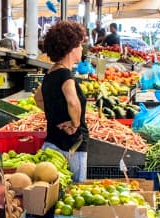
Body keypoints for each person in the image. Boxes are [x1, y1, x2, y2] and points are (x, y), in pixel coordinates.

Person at [34, 20, 89, 182]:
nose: (81, 49)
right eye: (80, 45)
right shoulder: (66, 75)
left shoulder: (51, 72)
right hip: (72, 145)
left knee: (53, 188)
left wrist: (55, 115)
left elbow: (38, 98)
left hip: (52, 142)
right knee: (74, 190)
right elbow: (73, 102)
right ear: (71, 48)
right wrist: (75, 124)